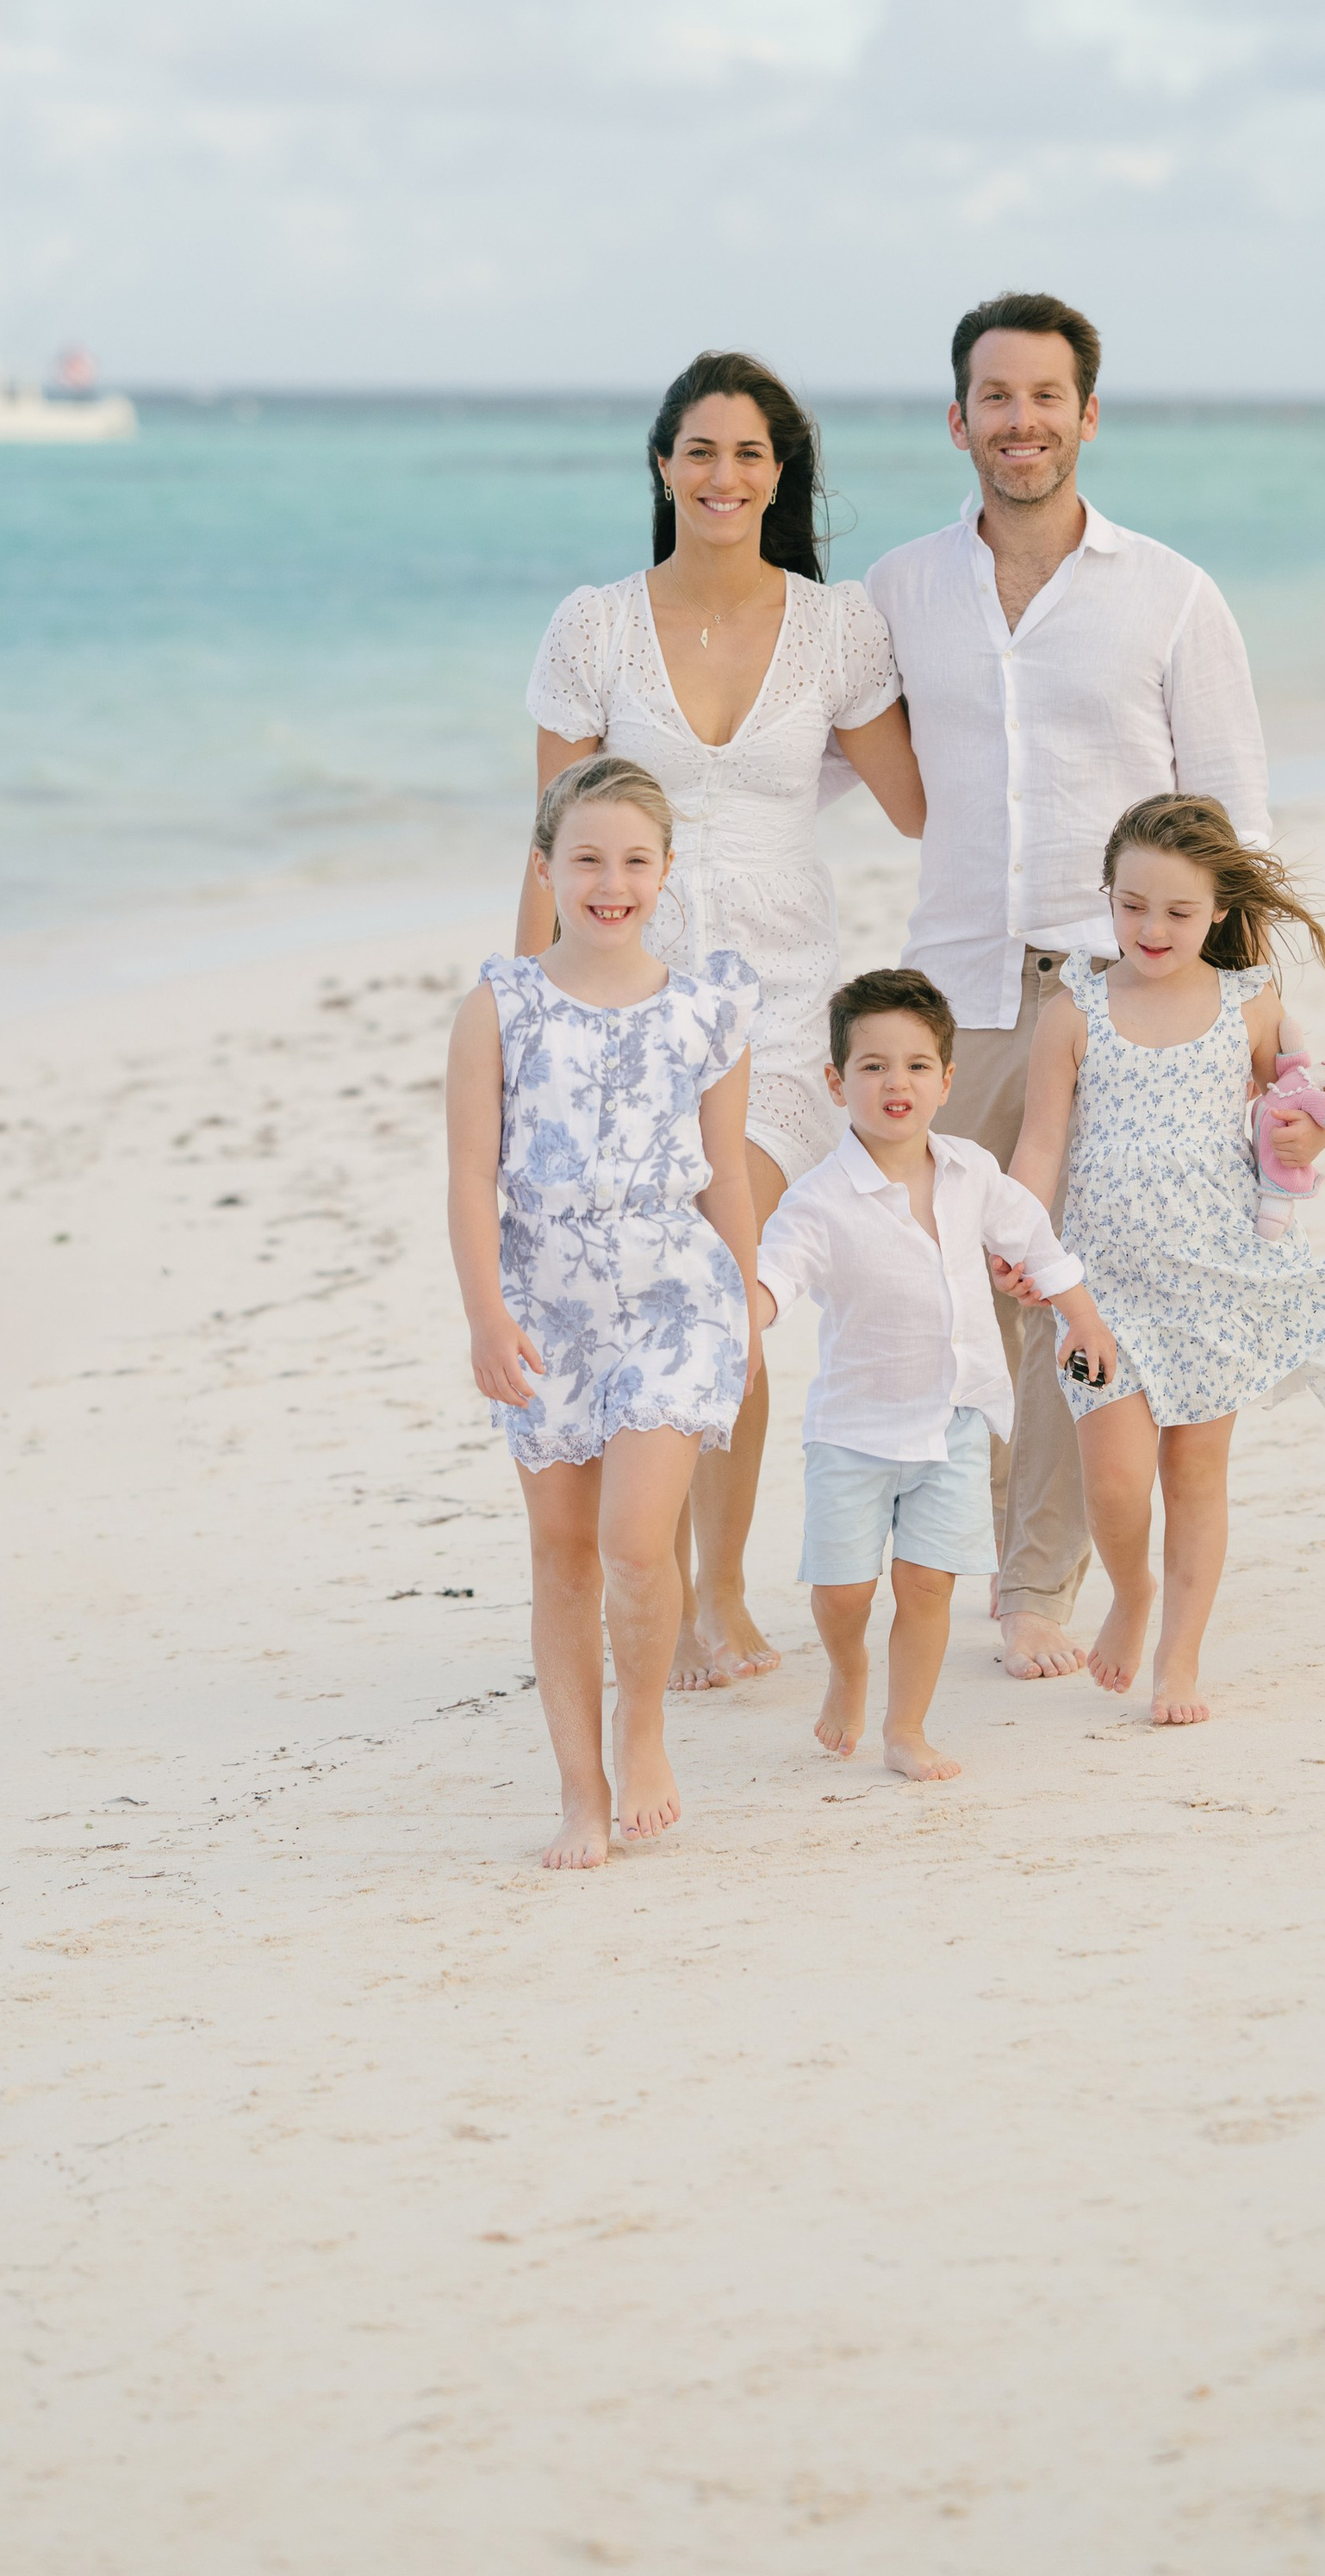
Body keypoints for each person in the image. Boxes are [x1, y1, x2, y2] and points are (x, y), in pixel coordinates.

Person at [865, 289, 1304, 1684]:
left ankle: (1038, 1585)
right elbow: (809, 759)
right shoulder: (896, 591)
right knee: (944, 1290)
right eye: (996, 396)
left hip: (1116, 1001)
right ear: (958, 420)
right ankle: (956, 1543)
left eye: (1046, 396)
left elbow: (1234, 813)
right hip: (952, 998)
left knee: (1067, 1296)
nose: (1022, 421)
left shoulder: (1170, 593)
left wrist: (1250, 1034)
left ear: (1088, 415)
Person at [519, 352, 925, 1691]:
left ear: (781, 472)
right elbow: (550, 849)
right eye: (700, 450)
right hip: (622, 1000)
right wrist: (525, 1035)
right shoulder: (592, 625)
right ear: (661, 464)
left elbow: (925, 801)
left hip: (779, 996)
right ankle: (653, 1570)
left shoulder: (838, 626)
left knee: (723, 1284)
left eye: (750, 454)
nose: (724, 476)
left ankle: (715, 1594)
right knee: (639, 1293)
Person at [1008, 795, 1325, 1725]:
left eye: (1178, 911)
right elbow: (1038, 1148)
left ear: (1218, 910)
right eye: (1132, 904)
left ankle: (1177, 1658)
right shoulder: (1073, 1012)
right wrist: (1015, 1241)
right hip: (1099, 1292)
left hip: (1216, 1281)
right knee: (1112, 1480)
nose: (1152, 928)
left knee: (1193, 1475)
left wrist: (1312, 1142)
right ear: (1108, 896)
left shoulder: (1249, 1003)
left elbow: (1297, 1114)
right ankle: (1131, 1590)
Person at [446, 757, 762, 1868]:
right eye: (585, 858)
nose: (610, 881)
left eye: (634, 860)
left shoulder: (706, 1007)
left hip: (678, 1300)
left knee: (636, 1543)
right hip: (544, 1312)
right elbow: (468, 1179)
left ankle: (644, 1729)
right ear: (545, 868)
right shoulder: (501, 1007)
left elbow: (724, 1168)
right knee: (562, 1552)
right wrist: (487, 1317)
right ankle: (581, 1794)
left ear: (666, 873)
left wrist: (750, 1301)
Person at [752, 969, 1110, 1783]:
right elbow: (778, 1273)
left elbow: (1035, 1240)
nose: (896, 1082)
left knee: (927, 1585)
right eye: (873, 1065)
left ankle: (906, 1727)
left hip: (954, 1419)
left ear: (947, 1080)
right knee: (844, 1591)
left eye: (916, 1064)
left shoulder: (972, 1171)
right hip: (853, 1430)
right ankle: (847, 1671)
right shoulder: (819, 1200)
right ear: (837, 1081)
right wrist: (750, 1314)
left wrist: (1082, 1315)